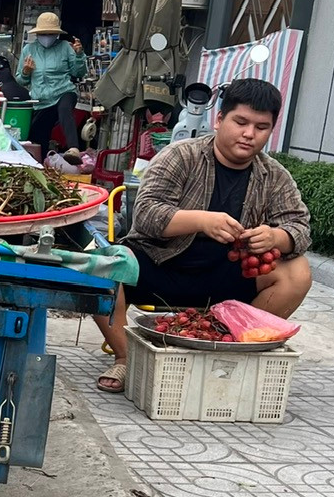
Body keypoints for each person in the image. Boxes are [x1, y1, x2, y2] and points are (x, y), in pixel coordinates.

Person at [92, 79, 312, 393]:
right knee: (101, 266)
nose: (249, 134)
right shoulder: (181, 156)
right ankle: (128, 356)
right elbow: (146, 214)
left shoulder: (274, 175)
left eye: (261, 127)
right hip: (160, 265)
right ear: (219, 120)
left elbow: (300, 228)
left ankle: (229, 344)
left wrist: (277, 237)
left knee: (298, 271)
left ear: (271, 130)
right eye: (241, 122)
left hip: (228, 276)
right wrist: (200, 220)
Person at [15, 12, 87, 150]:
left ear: (56, 34)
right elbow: (20, 80)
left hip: (63, 91)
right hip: (41, 100)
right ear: (37, 34)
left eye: (50, 33)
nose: (47, 37)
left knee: (65, 109)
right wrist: (26, 72)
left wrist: (79, 55)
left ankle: (74, 149)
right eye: (44, 34)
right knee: (37, 138)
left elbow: (79, 72)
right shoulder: (29, 50)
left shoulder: (65, 47)